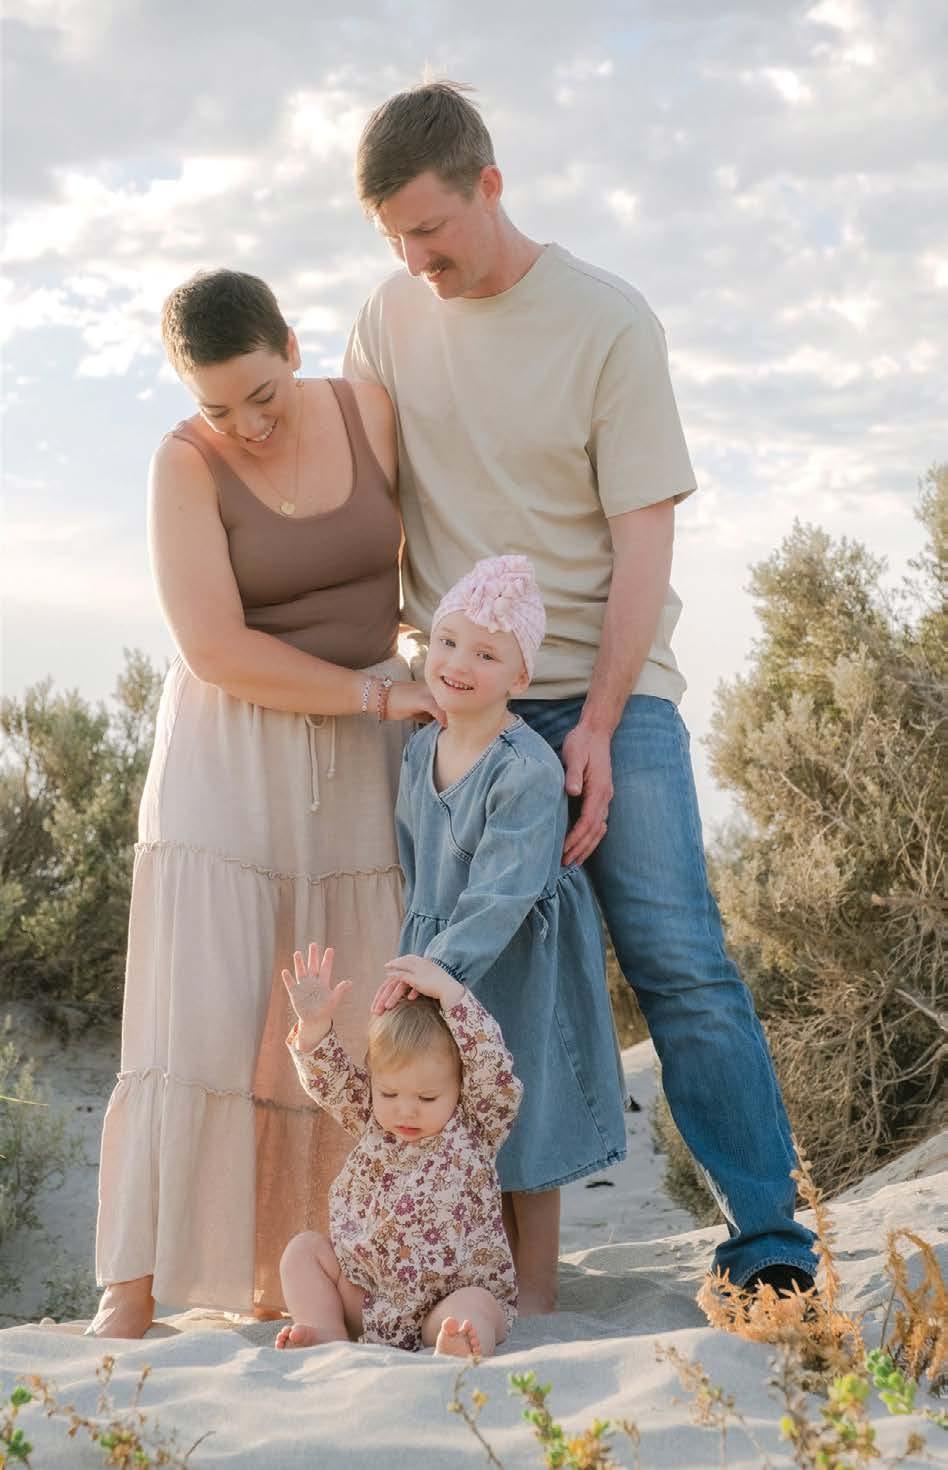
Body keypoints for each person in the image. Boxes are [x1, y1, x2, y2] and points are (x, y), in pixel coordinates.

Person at [344, 82, 818, 1296]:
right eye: (394, 238)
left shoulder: (608, 321)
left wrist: (601, 725)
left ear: (491, 186)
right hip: (461, 708)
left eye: (430, 230)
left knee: (679, 961)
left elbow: (642, 539)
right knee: (452, 978)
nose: (415, 261)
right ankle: (459, 1265)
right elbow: (370, 508)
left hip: (608, 693)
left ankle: (771, 1247)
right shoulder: (388, 319)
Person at [88, 269, 441, 1339]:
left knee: (356, 993)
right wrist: (376, 695)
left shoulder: (368, 412)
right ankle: (133, 1286)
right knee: (203, 1008)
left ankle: (328, 1267)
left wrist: (426, 670)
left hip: (363, 754)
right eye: (216, 406)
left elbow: (424, 565)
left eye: (261, 395)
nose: (245, 424)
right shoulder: (183, 464)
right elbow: (215, 647)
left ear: (291, 345)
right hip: (232, 747)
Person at [384, 555, 627, 1314]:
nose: (458, 665)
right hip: (444, 951)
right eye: (448, 643)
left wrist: (441, 965)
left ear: (520, 675)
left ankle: (540, 1289)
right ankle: (484, 1274)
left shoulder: (525, 768)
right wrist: (420, 947)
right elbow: (415, 855)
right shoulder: (420, 749)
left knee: (523, 1112)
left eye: (486, 655)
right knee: (461, 1115)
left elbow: (505, 890)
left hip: (517, 956)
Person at [276, 941, 522, 1358]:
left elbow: (493, 1068)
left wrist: (453, 996)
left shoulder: (475, 1125)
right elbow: (330, 1080)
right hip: (369, 1294)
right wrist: (314, 1025)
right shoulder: (372, 1117)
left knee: (477, 1305)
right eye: (389, 1093)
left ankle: (460, 1340)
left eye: (427, 1098)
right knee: (302, 1252)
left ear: (459, 1087)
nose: (406, 1110)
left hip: (446, 1298)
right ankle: (325, 1330)